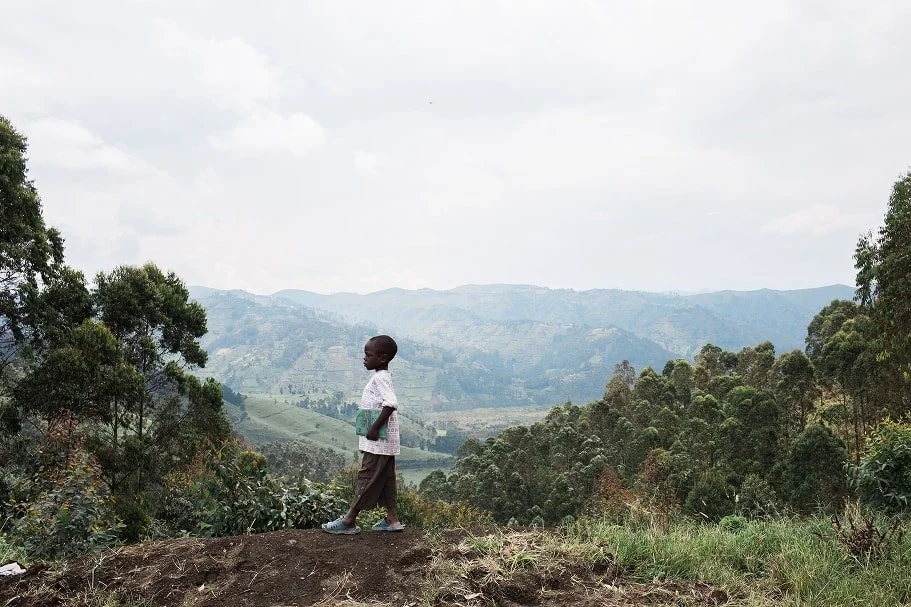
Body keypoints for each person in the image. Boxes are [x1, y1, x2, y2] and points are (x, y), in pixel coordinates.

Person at [322, 335, 405, 534]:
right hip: (385, 442)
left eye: (368, 355)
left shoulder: (380, 378)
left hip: (378, 442)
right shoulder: (381, 376)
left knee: (367, 476)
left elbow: (390, 403)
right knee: (386, 479)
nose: (364, 359)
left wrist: (374, 428)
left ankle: (349, 519)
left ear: (383, 358)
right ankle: (392, 520)